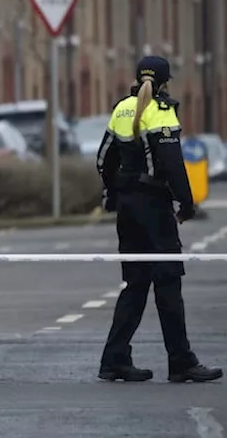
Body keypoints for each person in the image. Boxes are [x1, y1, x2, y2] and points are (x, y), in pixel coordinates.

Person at [95, 56, 222, 384]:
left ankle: (114, 360)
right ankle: (181, 362)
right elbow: (172, 164)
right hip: (154, 208)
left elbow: (103, 160)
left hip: (127, 208)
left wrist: (112, 194)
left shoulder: (122, 108)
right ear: (166, 82)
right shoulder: (161, 111)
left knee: (135, 283)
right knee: (167, 282)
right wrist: (187, 204)